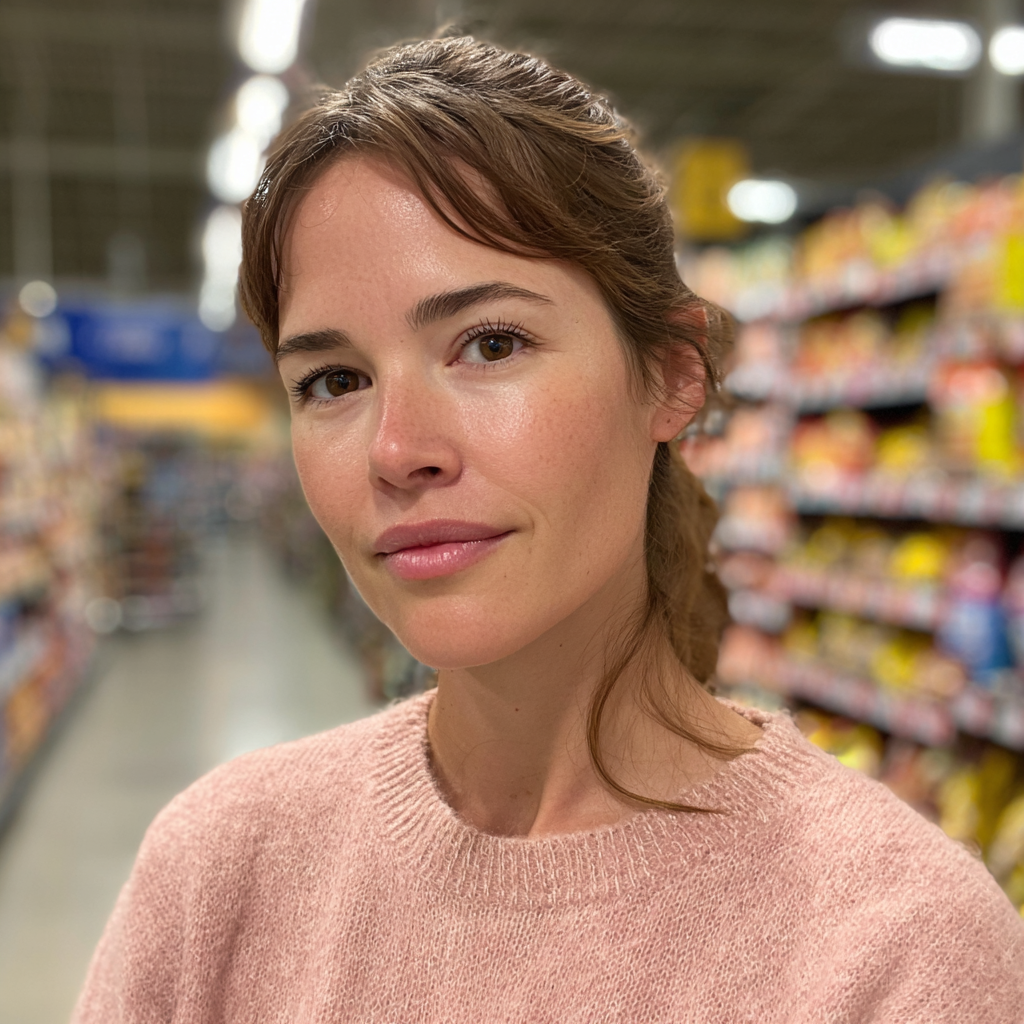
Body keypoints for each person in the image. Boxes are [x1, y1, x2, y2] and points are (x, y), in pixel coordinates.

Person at [73, 35, 1023, 1024]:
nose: (399, 448)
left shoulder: (903, 949)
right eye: (335, 380)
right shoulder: (219, 876)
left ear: (668, 377)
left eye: (490, 343)